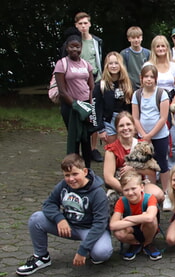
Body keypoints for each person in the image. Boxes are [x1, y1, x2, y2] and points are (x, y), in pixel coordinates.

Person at [16, 154, 112, 276]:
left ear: (85, 171)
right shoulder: (63, 185)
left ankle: (91, 248)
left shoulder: (98, 193)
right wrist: (59, 219)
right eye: (67, 175)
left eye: (75, 174)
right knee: (36, 219)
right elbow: (49, 204)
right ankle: (41, 257)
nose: (71, 179)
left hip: (90, 228)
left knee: (101, 253)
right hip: (69, 226)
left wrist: (83, 250)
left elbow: (100, 224)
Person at [145, 35, 175, 186]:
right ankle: (154, 173)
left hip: (171, 106)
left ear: (167, 48)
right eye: (158, 46)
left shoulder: (174, 66)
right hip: (152, 106)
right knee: (155, 141)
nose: (161, 49)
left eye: (163, 46)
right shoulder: (148, 65)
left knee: (173, 141)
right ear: (153, 49)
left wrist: (171, 105)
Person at [103, 111, 164, 201]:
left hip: (139, 184)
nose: (125, 128)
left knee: (159, 195)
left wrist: (135, 168)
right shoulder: (111, 150)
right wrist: (127, 191)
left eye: (128, 124)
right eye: (121, 126)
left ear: (134, 127)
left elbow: (152, 172)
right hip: (120, 186)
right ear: (116, 129)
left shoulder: (142, 146)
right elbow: (109, 178)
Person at [132, 64, 171, 204]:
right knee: (147, 165)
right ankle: (152, 192)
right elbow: (135, 117)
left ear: (156, 79)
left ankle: (167, 193)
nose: (149, 80)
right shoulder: (137, 95)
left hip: (160, 136)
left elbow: (163, 118)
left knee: (162, 164)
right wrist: (143, 135)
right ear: (141, 78)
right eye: (146, 77)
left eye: (151, 77)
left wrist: (150, 135)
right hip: (143, 136)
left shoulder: (162, 94)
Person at [55, 34, 95, 168]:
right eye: (72, 47)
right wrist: (75, 105)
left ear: (81, 48)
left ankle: (88, 169)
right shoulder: (62, 64)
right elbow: (62, 91)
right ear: (67, 48)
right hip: (70, 107)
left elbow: (91, 87)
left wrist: (89, 106)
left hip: (85, 106)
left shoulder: (86, 65)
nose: (75, 50)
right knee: (74, 138)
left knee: (86, 138)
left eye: (77, 47)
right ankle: (74, 167)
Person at [110, 170, 162, 261]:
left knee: (151, 220)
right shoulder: (121, 201)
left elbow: (150, 218)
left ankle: (147, 244)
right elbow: (113, 225)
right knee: (118, 232)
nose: (130, 193)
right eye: (126, 190)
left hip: (148, 228)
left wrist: (127, 219)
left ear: (142, 187)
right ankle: (136, 244)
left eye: (133, 188)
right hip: (132, 229)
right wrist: (142, 217)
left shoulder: (150, 198)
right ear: (122, 190)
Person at [74, 12, 104, 162]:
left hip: (95, 81)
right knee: (80, 116)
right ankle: (79, 149)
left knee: (94, 115)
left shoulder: (97, 41)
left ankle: (93, 149)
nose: (83, 26)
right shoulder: (74, 42)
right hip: (79, 84)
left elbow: (99, 61)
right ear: (76, 26)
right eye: (80, 24)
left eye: (86, 23)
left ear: (90, 24)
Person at [93, 52, 133, 145]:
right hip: (109, 121)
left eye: (116, 63)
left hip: (125, 119)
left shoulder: (127, 84)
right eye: (110, 63)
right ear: (106, 66)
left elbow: (131, 106)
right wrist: (100, 129)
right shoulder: (101, 85)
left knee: (126, 149)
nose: (113, 66)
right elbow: (96, 108)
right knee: (112, 149)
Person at [120, 26, 151, 90]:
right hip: (130, 87)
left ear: (141, 38)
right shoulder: (124, 53)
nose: (136, 40)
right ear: (129, 39)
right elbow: (123, 72)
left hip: (145, 86)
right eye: (133, 38)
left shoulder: (148, 53)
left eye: (138, 37)